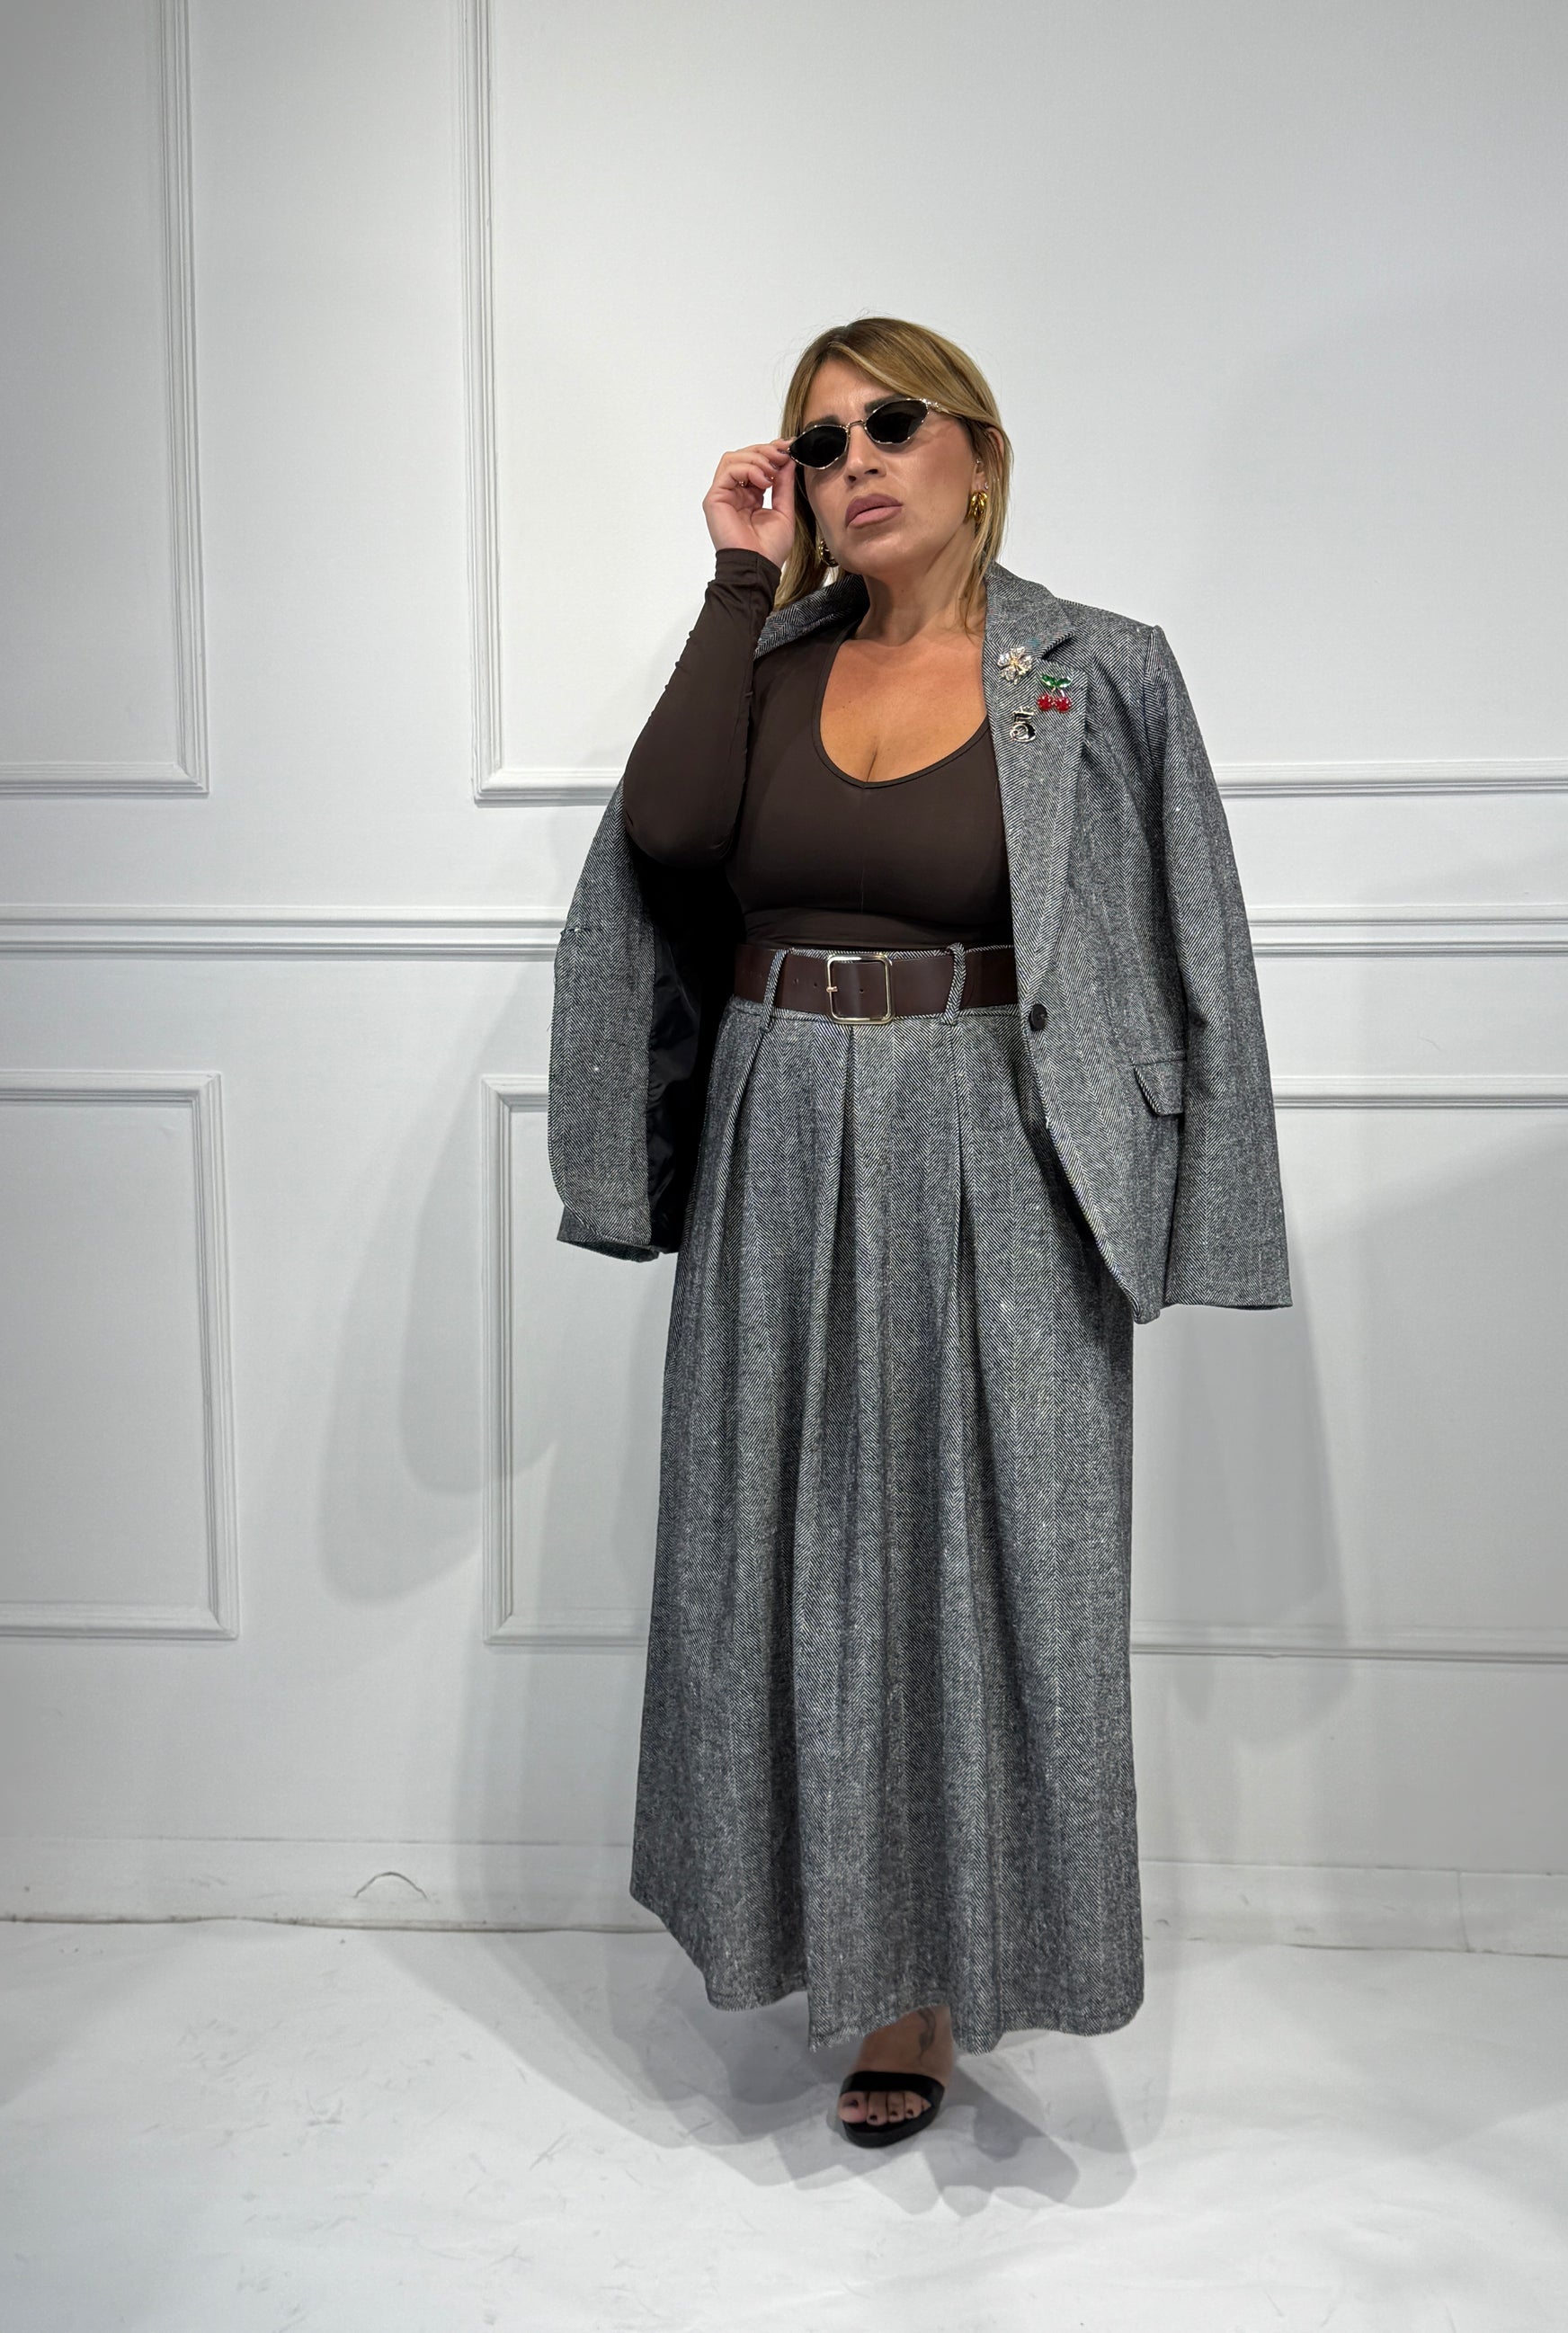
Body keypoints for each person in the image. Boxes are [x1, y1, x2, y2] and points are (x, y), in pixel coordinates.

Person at [547, 315, 1292, 2149]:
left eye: (890, 424)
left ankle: (954, 1971)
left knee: (1002, 1559)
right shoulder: (764, 659)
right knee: (778, 1546)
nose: (854, 462)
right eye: (817, 444)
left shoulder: (1099, 668)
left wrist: (1212, 1211)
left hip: (1005, 1139)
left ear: (977, 448)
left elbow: (1196, 930)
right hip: (780, 1128)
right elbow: (666, 836)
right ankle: (843, 1955)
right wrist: (736, 578)